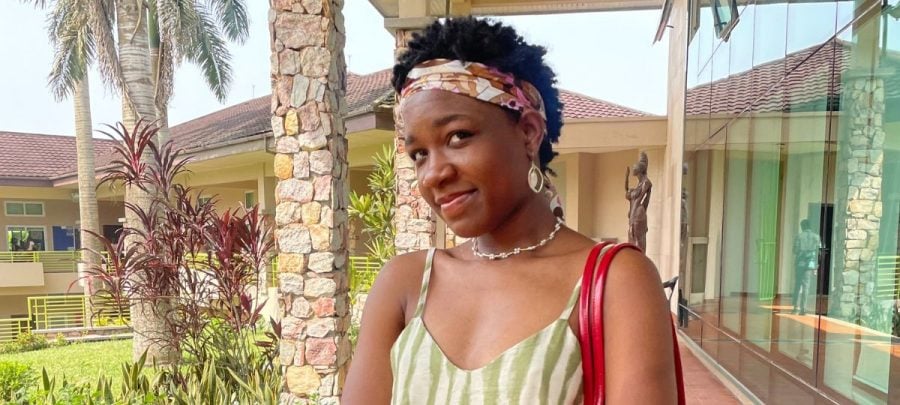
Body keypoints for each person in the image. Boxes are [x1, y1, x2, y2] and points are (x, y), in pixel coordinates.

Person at [342, 18, 677, 404]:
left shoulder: (615, 282)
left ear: (529, 132)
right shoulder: (404, 284)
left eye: (458, 136)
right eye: (419, 154)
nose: (434, 173)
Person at [792, 219, 822, 315]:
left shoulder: (799, 236)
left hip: (800, 263)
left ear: (802, 226)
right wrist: (816, 265)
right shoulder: (816, 237)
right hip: (810, 264)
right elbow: (819, 252)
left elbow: (795, 250)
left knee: (797, 285)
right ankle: (803, 309)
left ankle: (795, 307)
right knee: (806, 286)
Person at [625, 152, 652, 251]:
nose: (633, 169)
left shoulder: (645, 183)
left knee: (638, 242)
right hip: (635, 213)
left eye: (634, 168)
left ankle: (639, 262)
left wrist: (632, 221)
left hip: (637, 215)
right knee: (632, 241)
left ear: (639, 170)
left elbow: (642, 201)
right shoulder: (639, 184)